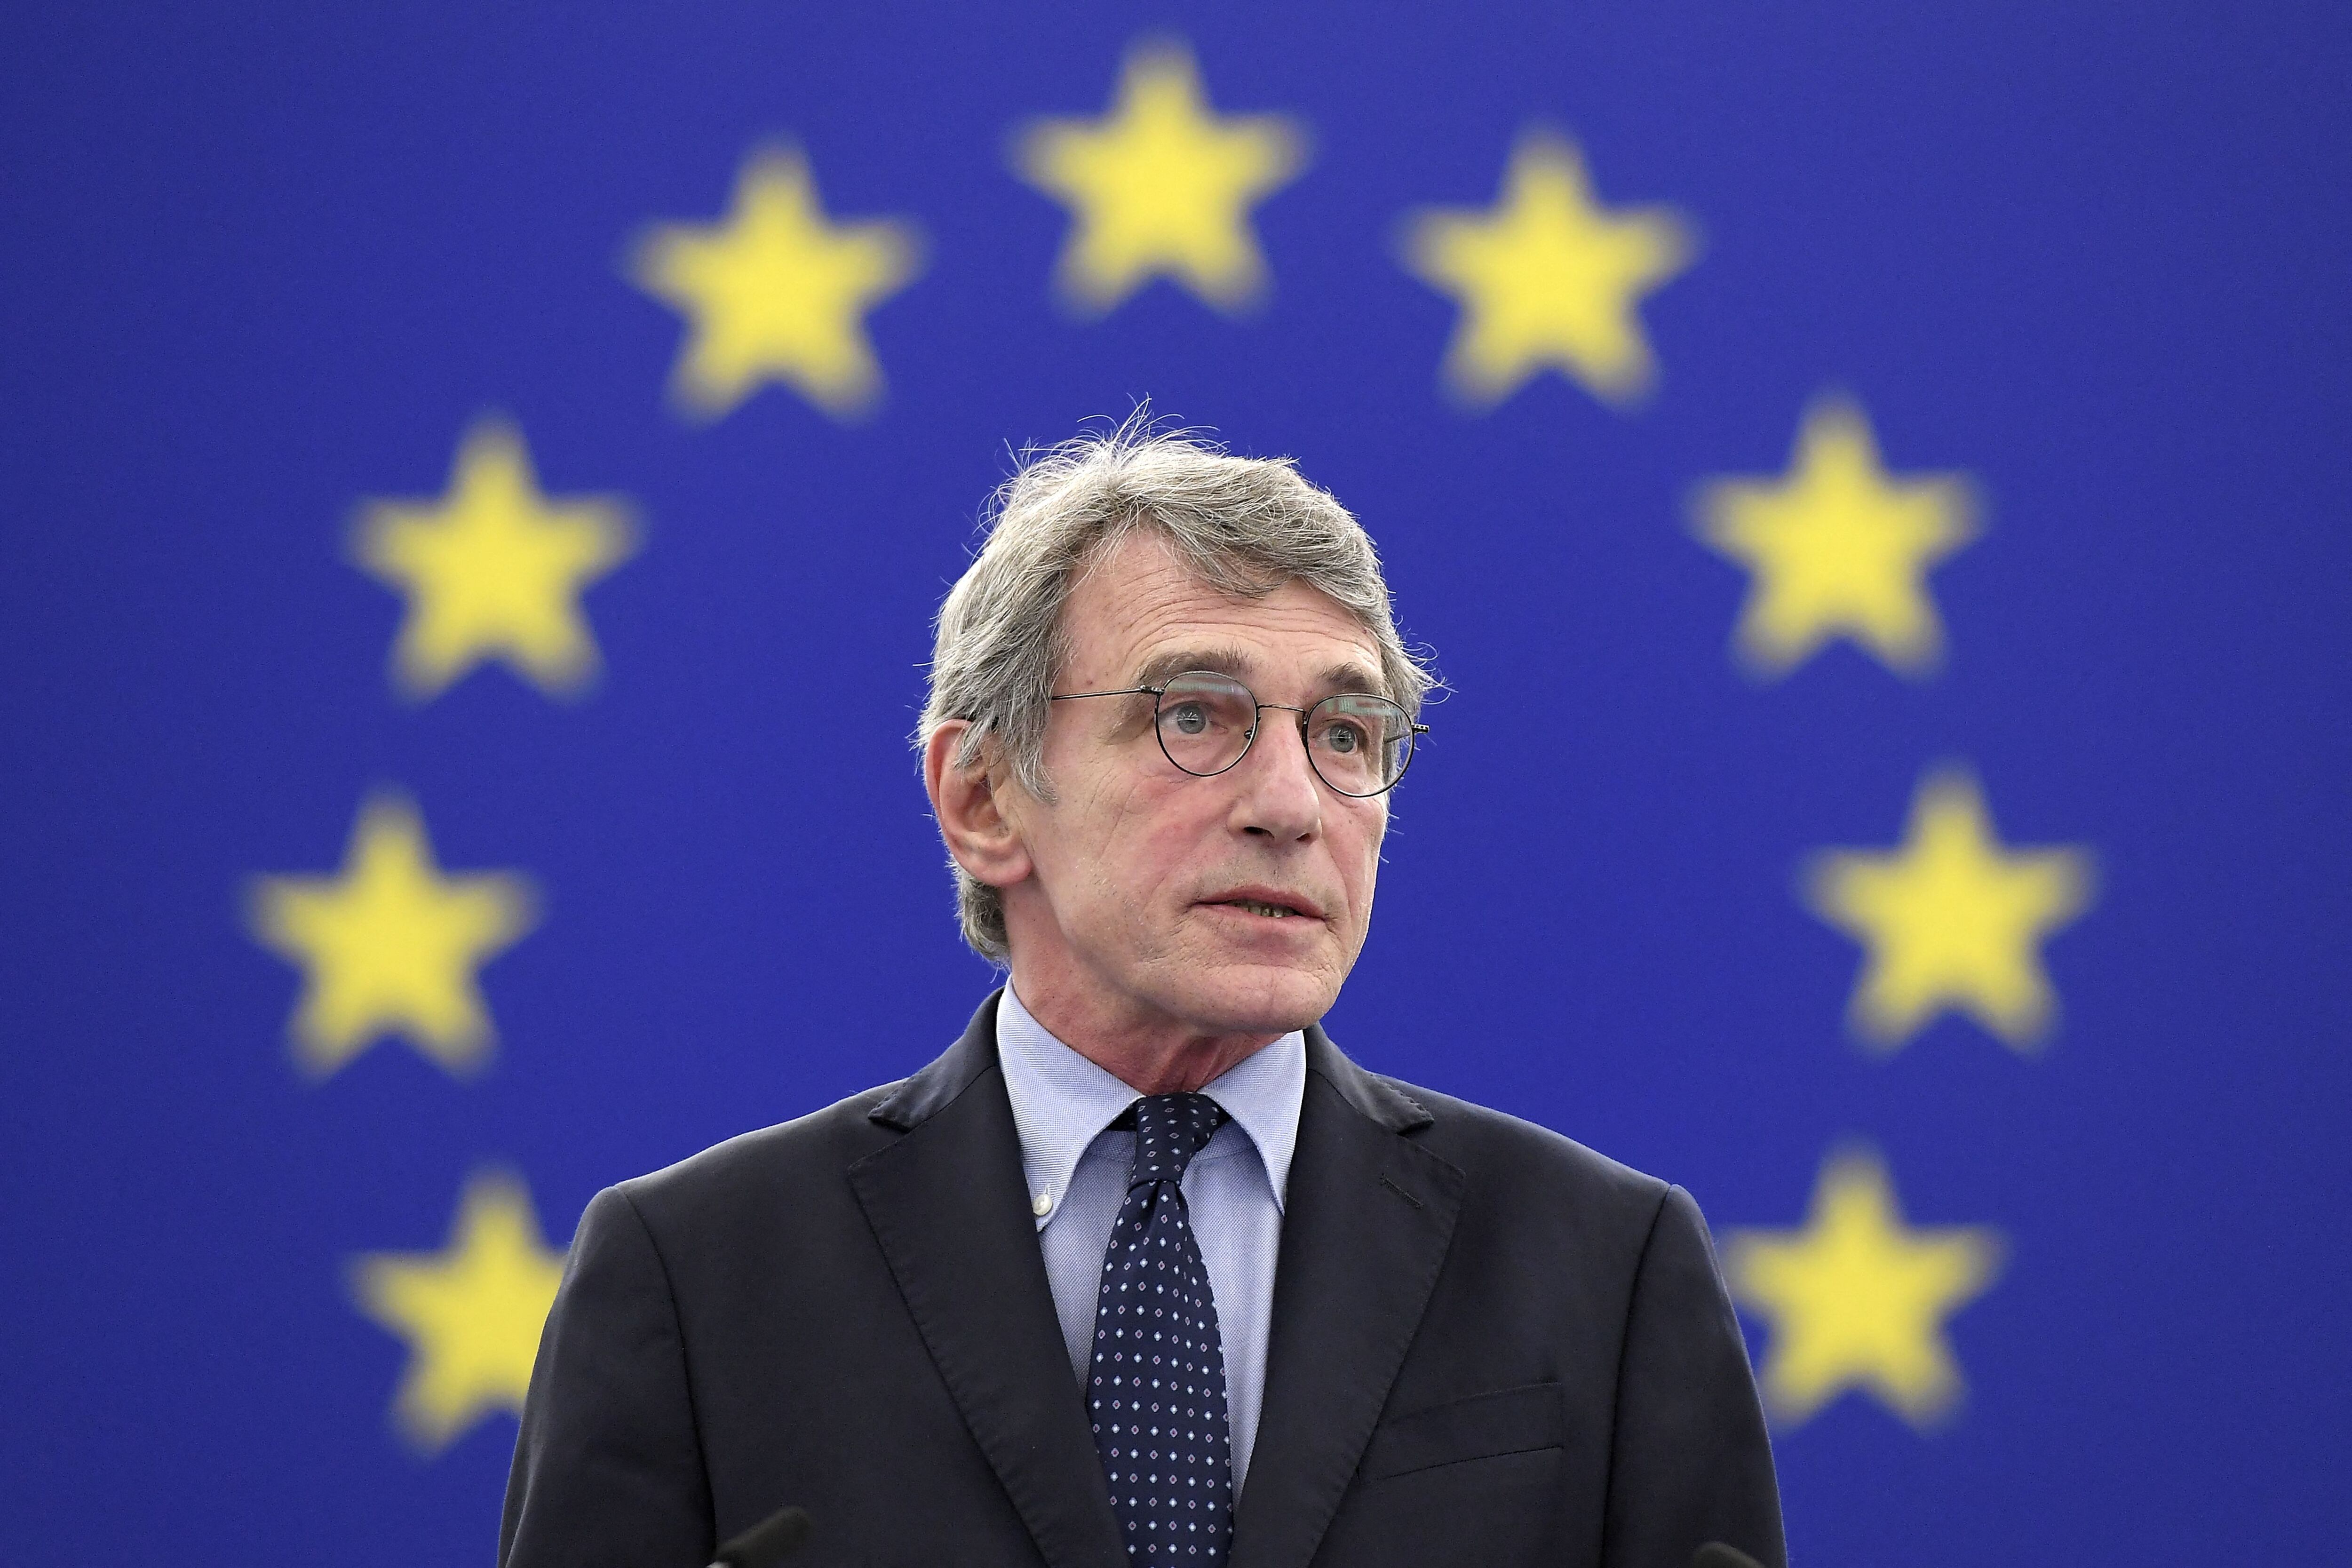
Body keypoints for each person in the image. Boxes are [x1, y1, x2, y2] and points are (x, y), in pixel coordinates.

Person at [500, 422, 1786, 1568]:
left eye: (1345, 735)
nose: (1292, 805)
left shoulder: (1608, 1270)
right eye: (1196, 715)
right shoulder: (697, 1277)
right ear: (983, 798)